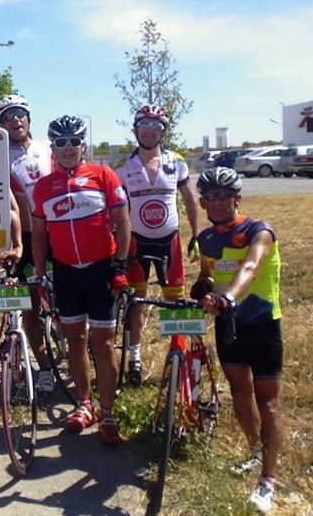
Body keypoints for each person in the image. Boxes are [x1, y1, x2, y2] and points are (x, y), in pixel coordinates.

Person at [31, 115, 131, 445]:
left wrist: (120, 266)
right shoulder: (44, 186)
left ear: (83, 143)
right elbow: (40, 235)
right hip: (66, 273)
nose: (68, 148)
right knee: (75, 342)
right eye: (61, 143)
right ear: (53, 148)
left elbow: (123, 221)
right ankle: (84, 405)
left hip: (101, 269)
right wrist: (40, 272)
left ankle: (108, 412)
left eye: (74, 141)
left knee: (103, 344)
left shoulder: (103, 175)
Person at [191, 167, 284, 514]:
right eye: (209, 196)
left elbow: (250, 267)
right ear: (201, 201)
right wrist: (202, 288)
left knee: (269, 403)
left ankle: (268, 481)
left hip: (262, 325)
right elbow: (206, 274)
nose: (215, 202)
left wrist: (227, 297)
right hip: (229, 327)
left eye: (222, 195)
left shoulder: (260, 230)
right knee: (240, 395)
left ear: (237, 198)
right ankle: (255, 451)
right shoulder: (205, 239)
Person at [115, 104, 201, 386]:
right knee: (136, 304)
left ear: (164, 131)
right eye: (145, 125)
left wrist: (197, 234)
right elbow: (115, 212)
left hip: (170, 241)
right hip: (137, 245)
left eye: (157, 126)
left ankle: (175, 358)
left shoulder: (176, 162)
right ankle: (134, 359)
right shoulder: (124, 169)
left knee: (174, 303)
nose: (150, 131)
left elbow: (189, 199)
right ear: (136, 128)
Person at [0, 95, 55, 395]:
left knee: (69, 303)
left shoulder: (48, 149)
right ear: (1, 124)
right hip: (27, 240)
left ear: (29, 117)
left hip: (58, 235)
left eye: (19, 113)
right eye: (7, 116)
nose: (15, 120)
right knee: (29, 308)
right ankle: (44, 368)